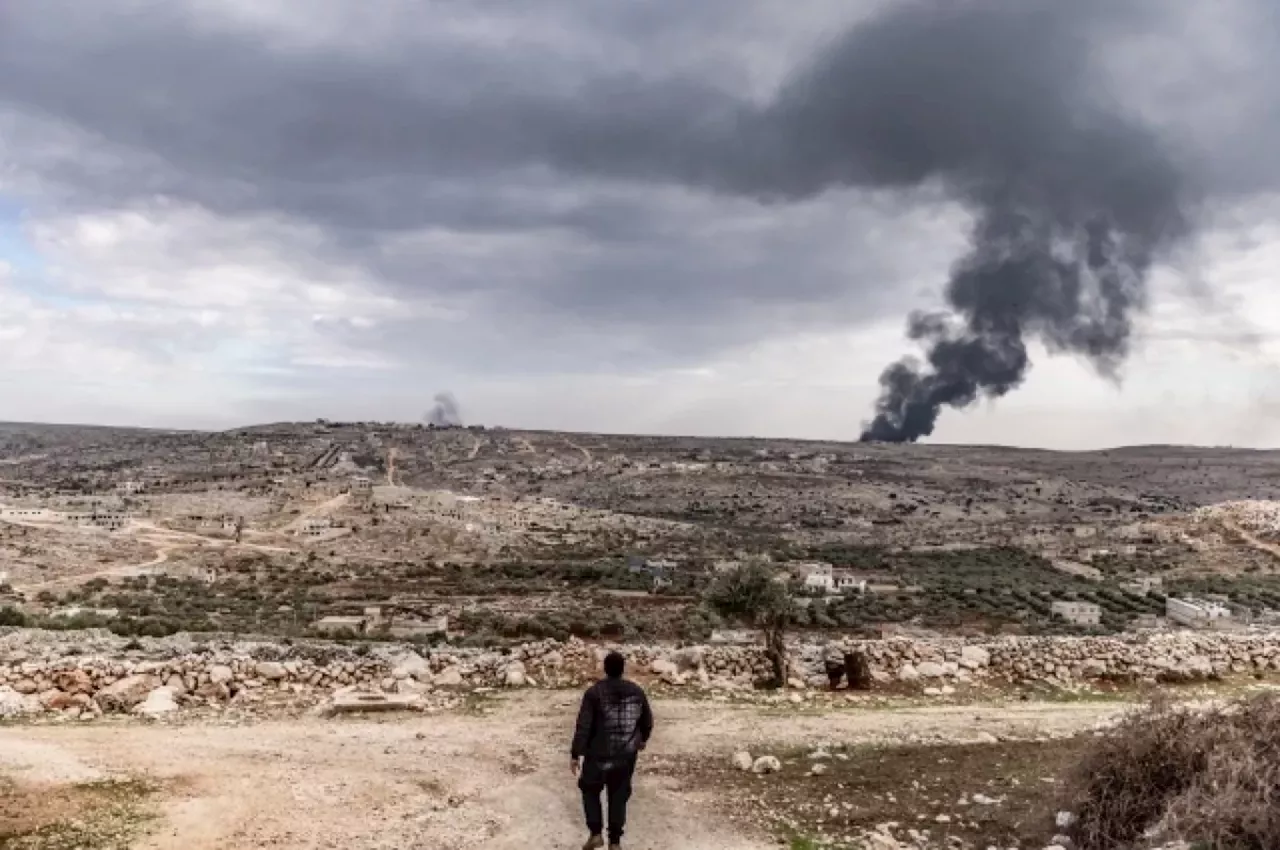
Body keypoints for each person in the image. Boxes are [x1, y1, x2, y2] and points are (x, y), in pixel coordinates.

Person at [571, 651, 653, 850]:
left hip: (597, 755)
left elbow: (584, 726)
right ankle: (615, 843)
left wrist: (575, 754)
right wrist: (642, 739)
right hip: (626, 756)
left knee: (589, 789)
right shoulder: (636, 691)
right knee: (618, 795)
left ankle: (596, 833)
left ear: (604, 669)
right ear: (622, 669)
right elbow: (647, 721)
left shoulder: (593, 693)